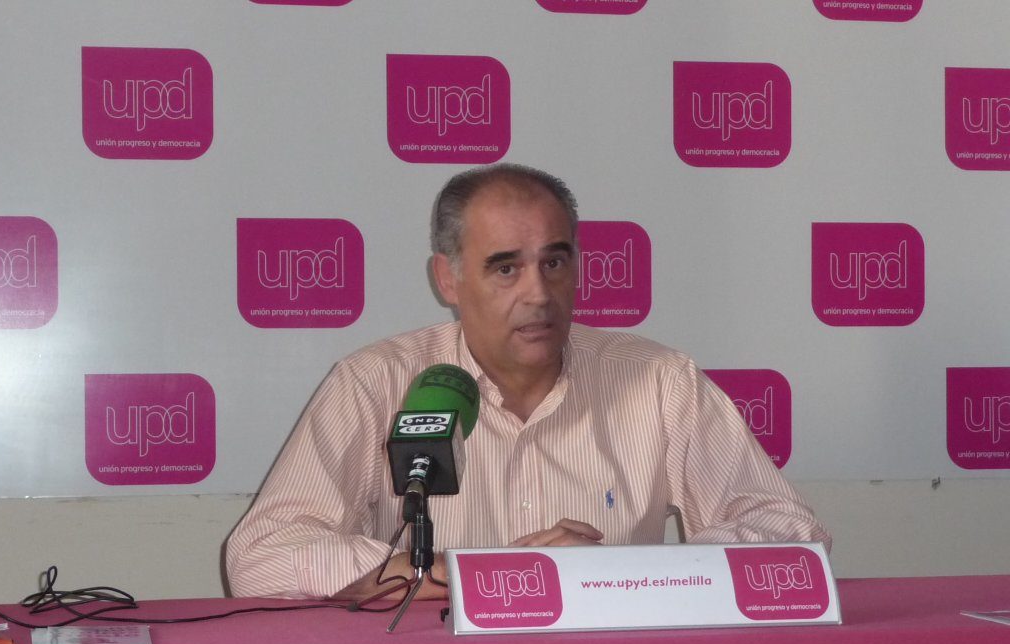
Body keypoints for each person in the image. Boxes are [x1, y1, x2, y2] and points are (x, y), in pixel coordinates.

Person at [225, 163, 830, 601]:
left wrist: (626, 573)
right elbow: (261, 555)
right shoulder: (375, 382)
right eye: (506, 268)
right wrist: (462, 575)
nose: (539, 293)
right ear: (448, 279)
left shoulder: (659, 381)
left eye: (554, 262)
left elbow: (793, 534)